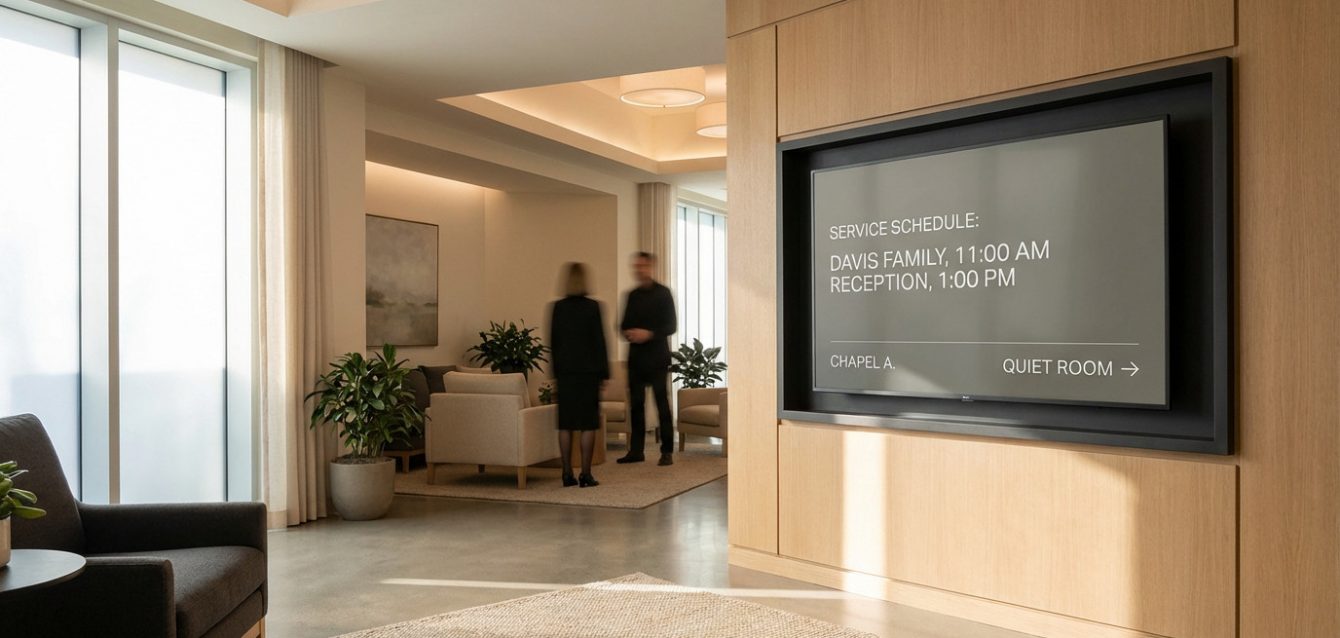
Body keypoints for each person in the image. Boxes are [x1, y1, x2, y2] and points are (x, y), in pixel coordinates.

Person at [548, 262, 610, 487]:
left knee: (566, 424)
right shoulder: (593, 307)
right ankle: (585, 473)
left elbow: (553, 343)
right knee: (587, 425)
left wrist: (555, 374)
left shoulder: (557, 308)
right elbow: (600, 342)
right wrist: (604, 374)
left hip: (565, 373)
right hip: (588, 374)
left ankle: (566, 473)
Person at [618, 251, 678, 466]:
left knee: (662, 404)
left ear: (651, 267)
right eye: (636, 266)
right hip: (636, 359)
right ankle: (636, 451)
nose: (639, 270)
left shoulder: (663, 293)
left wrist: (649, 334)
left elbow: (671, 325)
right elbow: (622, 325)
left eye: (643, 266)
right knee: (636, 406)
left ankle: (667, 451)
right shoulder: (632, 295)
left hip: (657, 359)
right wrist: (628, 333)